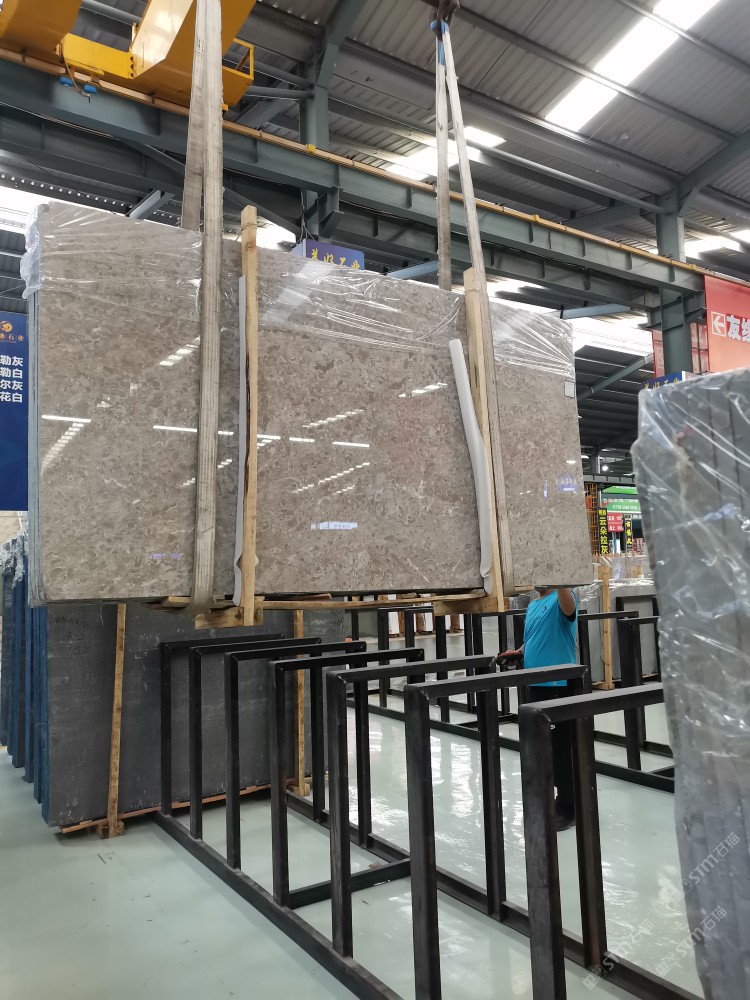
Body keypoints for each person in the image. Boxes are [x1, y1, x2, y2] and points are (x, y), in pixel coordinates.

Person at [499, 586, 578, 832]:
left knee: (561, 748)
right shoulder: (534, 604)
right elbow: (534, 637)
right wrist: (519, 652)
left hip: (557, 684)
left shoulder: (563, 597)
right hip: (535, 683)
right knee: (543, 748)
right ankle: (556, 798)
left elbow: (569, 611)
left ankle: (569, 807)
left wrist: (560, 579)